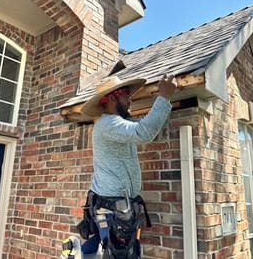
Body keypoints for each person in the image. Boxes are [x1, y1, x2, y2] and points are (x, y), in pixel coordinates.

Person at [75, 74, 177, 258]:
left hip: (116, 207)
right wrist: (164, 97)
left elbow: (146, 125)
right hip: (112, 209)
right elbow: (144, 132)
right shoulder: (108, 124)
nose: (130, 100)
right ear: (113, 98)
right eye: (126, 96)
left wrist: (162, 103)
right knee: (118, 254)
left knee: (119, 252)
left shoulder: (119, 124)